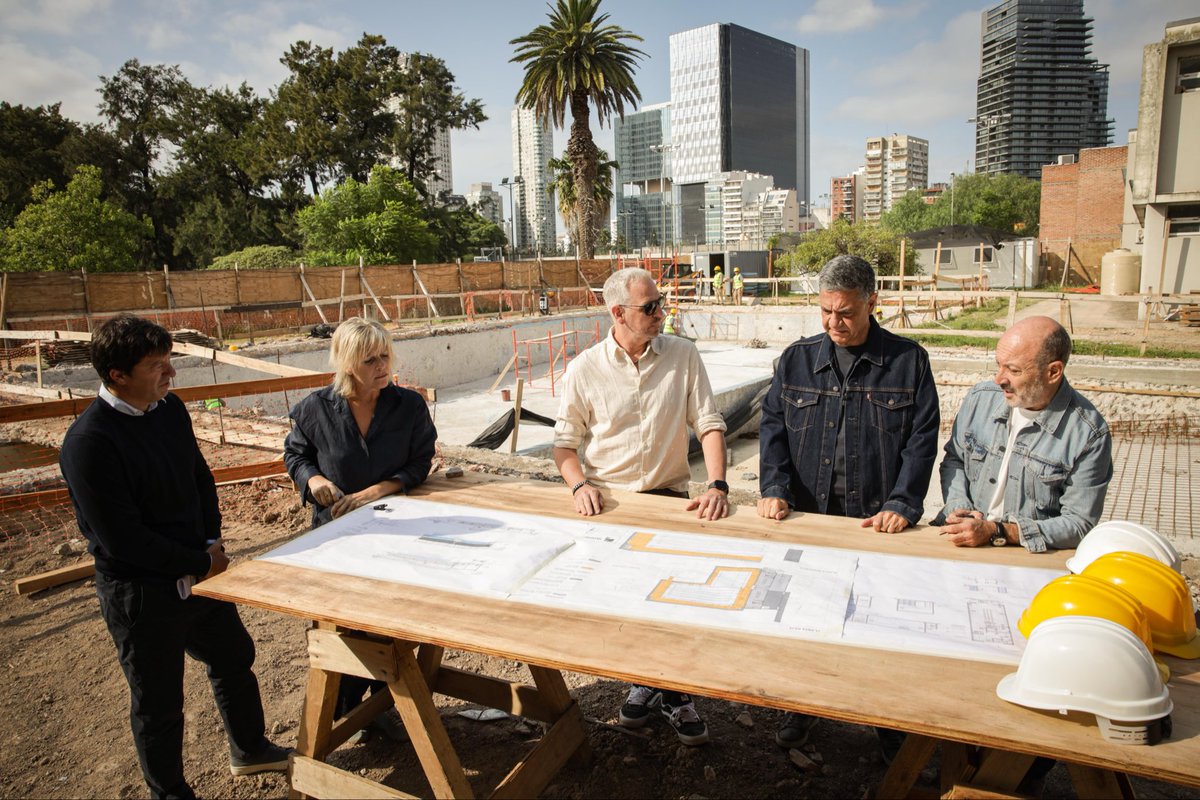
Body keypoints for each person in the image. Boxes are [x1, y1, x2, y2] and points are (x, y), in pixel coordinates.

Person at [59, 315, 288, 800]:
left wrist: (210, 542)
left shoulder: (169, 410)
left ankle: (249, 749)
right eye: (156, 366)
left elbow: (200, 478)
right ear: (117, 374)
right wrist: (200, 561)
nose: (171, 374)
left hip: (200, 570)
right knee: (158, 702)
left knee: (233, 658)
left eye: (170, 361)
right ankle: (170, 793)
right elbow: (124, 540)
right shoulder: (89, 444)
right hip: (142, 593)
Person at [757, 255, 940, 760]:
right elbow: (772, 429)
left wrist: (904, 502)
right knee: (807, 617)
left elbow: (922, 441)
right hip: (811, 519)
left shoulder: (909, 362)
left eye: (846, 313)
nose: (834, 324)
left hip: (875, 522)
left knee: (879, 625)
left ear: (872, 303)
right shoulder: (796, 359)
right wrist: (774, 487)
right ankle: (805, 705)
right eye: (825, 312)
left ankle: (886, 721)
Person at [553, 267, 729, 747]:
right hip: (613, 506)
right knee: (624, 604)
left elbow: (709, 423)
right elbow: (564, 446)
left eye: (661, 303)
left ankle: (674, 694)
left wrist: (716, 484)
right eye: (650, 307)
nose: (661, 313)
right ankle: (642, 682)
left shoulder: (683, 356)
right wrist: (577, 486)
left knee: (674, 605)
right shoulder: (584, 369)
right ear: (618, 313)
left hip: (670, 502)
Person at [284, 317, 437, 741]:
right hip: (336, 535)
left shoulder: (409, 405)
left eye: (385, 355)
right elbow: (296, 456)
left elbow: (420, 463)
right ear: (347, 363)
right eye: (369, 359)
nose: (381, 365)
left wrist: (376, 491)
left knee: (388, 623)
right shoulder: (314, 409)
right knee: (341, 625)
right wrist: (314, 481)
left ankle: (384, 707)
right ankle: (344, 712)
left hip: (395, 533)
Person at [936, 315, 1112, 552]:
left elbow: (1079, 524)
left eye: (1014, 370)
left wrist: (1000, 532)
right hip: (962, 541)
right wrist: (959, 506)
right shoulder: (980, 399)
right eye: (998, 365)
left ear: (1053, 372)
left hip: (1027, 553)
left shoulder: (1087, 434)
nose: (999, 379)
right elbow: (955, 459)